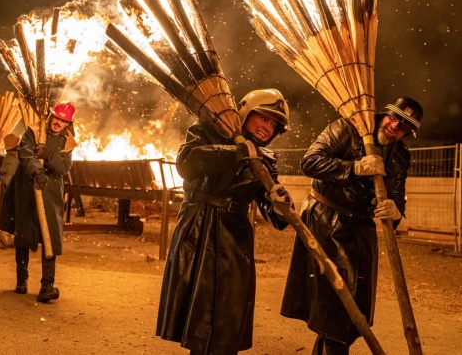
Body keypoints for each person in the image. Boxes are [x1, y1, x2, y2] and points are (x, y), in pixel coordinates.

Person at [280, 96, 424, 355]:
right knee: (336, 302)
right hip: (326, 220)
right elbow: (309, 162)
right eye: (394, 118)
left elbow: (397, 194)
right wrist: (354, 167)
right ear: (383, 115)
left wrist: (395, 210)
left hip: (362, 229)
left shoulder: (400, 155)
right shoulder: (346, 128)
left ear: (407, 133)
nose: (395, 126)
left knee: (355, 303)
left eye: (403, 126)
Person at [156, 89, 292, 354]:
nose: (268, 127)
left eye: (274, 124)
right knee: (198, 320)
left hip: (234, 242)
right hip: (198, 231)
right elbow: (186, 162)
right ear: (246, 113)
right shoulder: (207, 130)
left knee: (227, 322)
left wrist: (280, 202)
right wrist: (236, 152)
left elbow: (276, 216)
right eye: (264, 118)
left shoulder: (265, 161)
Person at [13, 101, 76, 303]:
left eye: (63, 121)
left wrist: (48, 155)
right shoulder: (34, 131)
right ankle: (21, 280)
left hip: (51, 194)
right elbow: (25, 154)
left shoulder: (68, 141)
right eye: (57, 118)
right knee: (24, 234)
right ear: (50, 116)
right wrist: (37, 170)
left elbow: (64, 167)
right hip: (28, 189)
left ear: (68, 123)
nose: (58, 123)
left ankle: (46, 286)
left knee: (50, 237)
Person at [0, 133, 21, 248]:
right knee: (11, 214)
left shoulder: (14, 157)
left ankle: (10, 236)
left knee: (13, 215)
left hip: (13, 191)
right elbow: (8, 179)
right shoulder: (11, 160)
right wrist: (14, 191)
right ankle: (5, 234)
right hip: (12, 193)